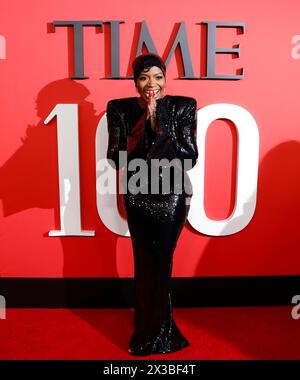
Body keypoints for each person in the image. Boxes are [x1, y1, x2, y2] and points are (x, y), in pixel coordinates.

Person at [106, 53, 198, 356]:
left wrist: (161, 123)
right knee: (145, 263)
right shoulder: (118, 109)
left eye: (158, 76)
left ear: (165, 79)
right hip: (138, 193)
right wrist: (142, 124)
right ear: (135, 81)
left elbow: (189, 157)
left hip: (173, 195)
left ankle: (156, 332)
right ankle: (150, 329)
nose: (151, 83)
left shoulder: (183, 106)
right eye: (144, 77)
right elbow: (114, 157)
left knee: (161, 264)